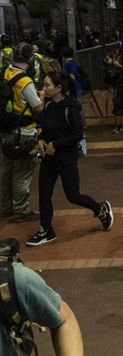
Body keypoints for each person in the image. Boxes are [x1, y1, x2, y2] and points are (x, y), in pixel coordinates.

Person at [25, 72, 112, 246]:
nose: (44, 88)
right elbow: (43, 127)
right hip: (49, 159)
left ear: (59, 88)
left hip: (66, 159)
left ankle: (100, 209)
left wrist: (56, 145)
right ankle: (46, 230)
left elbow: (77, 134)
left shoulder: (72, 108)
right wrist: (41, 140)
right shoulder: (48, 106)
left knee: (73, 195)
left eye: (48, 85)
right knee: (44, 194)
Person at [0, 42, 44, 223]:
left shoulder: (4, 73)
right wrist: (42, 95)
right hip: (24, 133)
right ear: (30, 59)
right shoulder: (25, 81)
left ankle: (5, 207)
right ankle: (21, 210)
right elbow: (38, 107)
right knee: (22, 172)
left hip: (5, 131)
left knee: (7, 171)